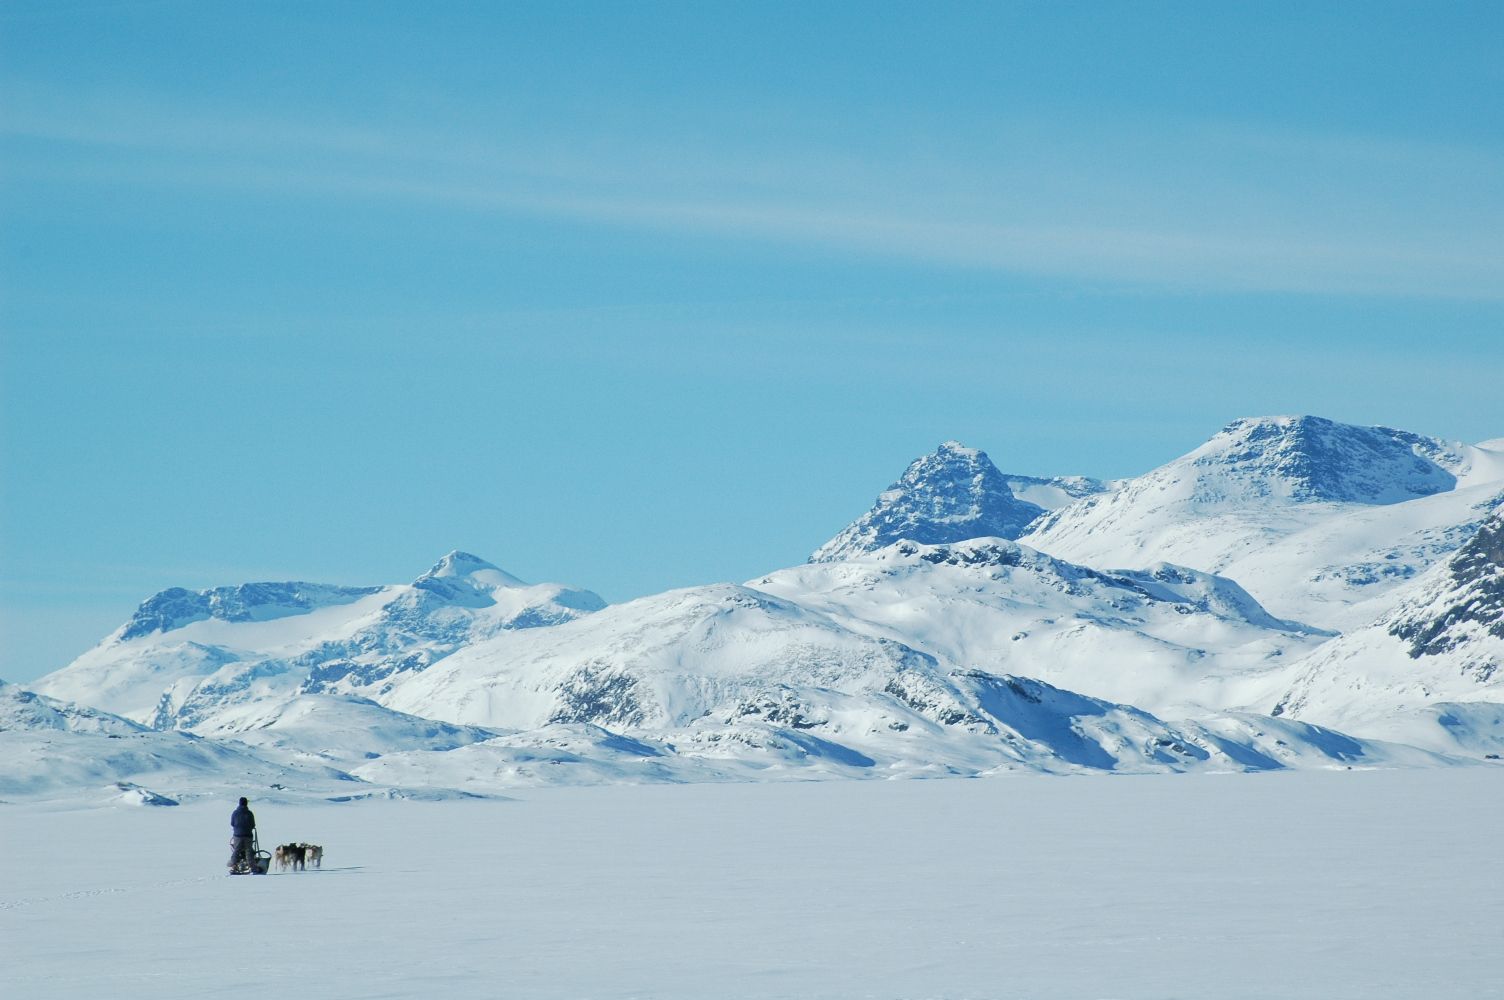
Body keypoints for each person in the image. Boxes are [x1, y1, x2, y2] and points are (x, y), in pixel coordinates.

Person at [228, 796, 257, 874]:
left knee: (236, 850)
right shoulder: (249, 813)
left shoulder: (235, 813)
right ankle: (252, 867)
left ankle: (233, 866)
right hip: (248, 835)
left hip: (237, 835)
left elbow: (232, 823)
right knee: (249, 851)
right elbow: (253, 824)